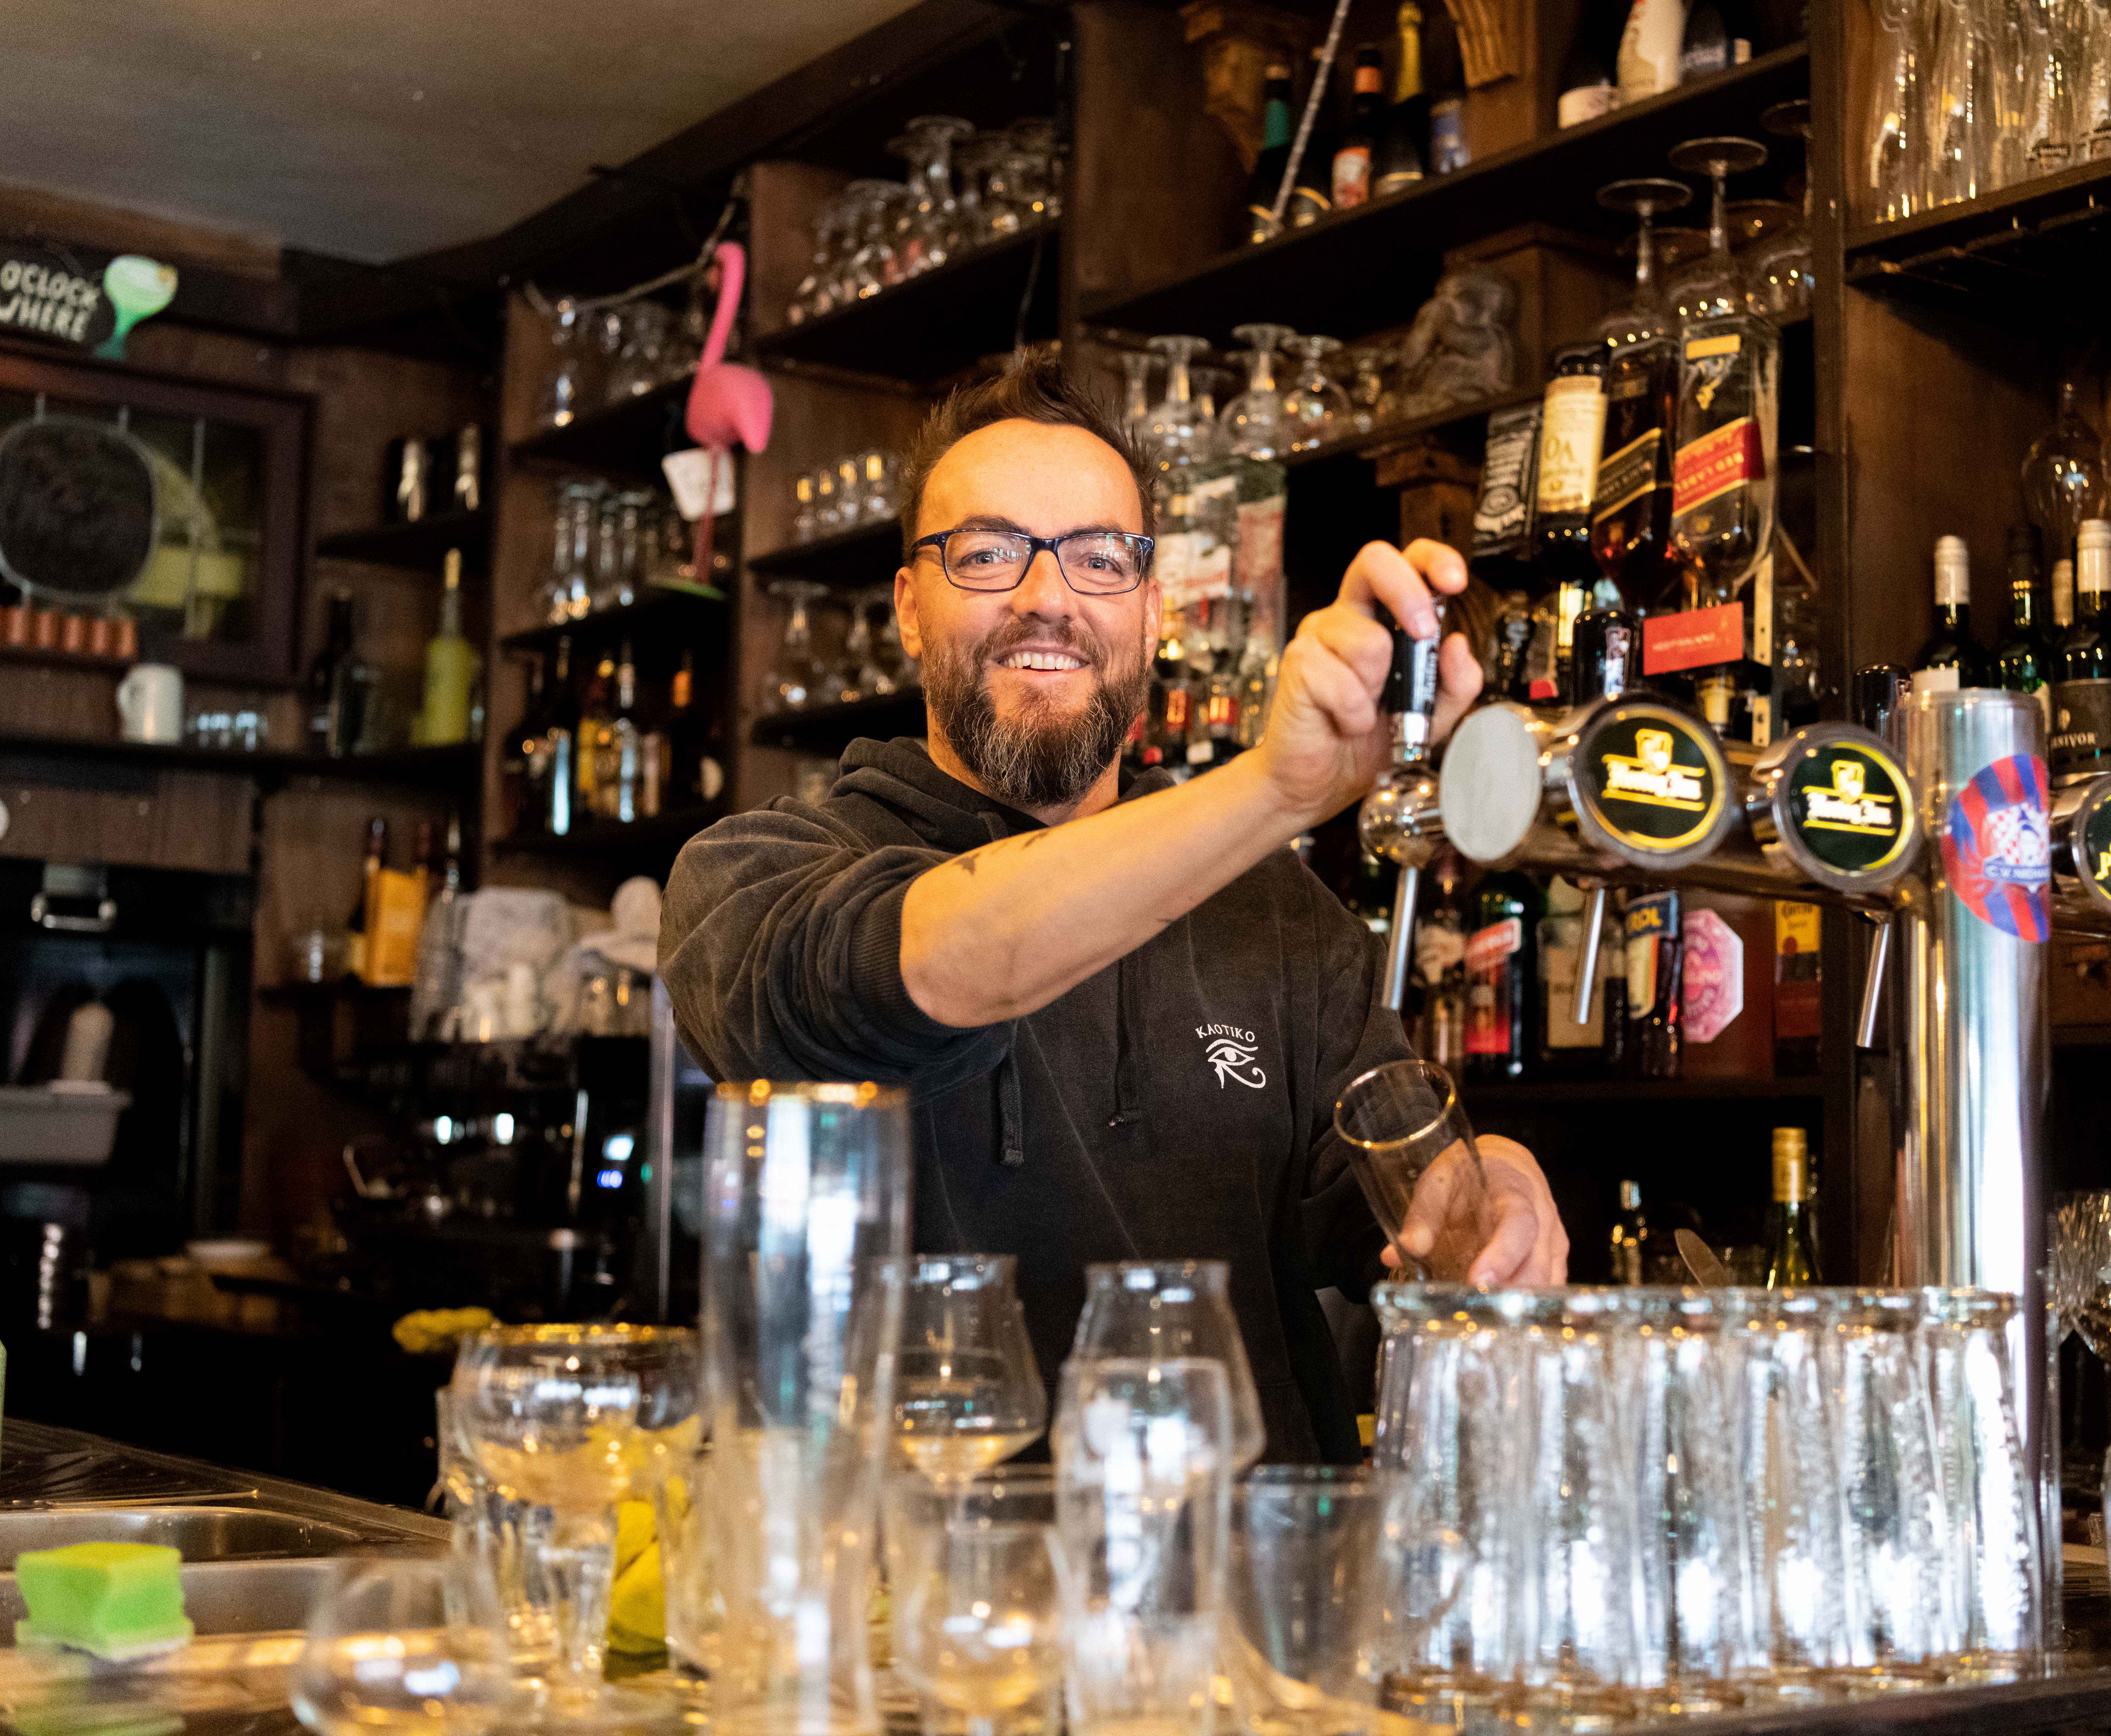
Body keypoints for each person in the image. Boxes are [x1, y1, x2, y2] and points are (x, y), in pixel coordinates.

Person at [661, 353, 1568, 1462]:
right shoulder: (757, 873)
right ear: (908, 605)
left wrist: (1494, 1189)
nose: (1048, 596)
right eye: (988, 553)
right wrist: (1276, 790)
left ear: (1150, 616)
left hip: (1249, 1607)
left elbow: (1393, 1191)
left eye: (1100, 559)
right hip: (906, 1609)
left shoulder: (1279, 917)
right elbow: (927, 970)